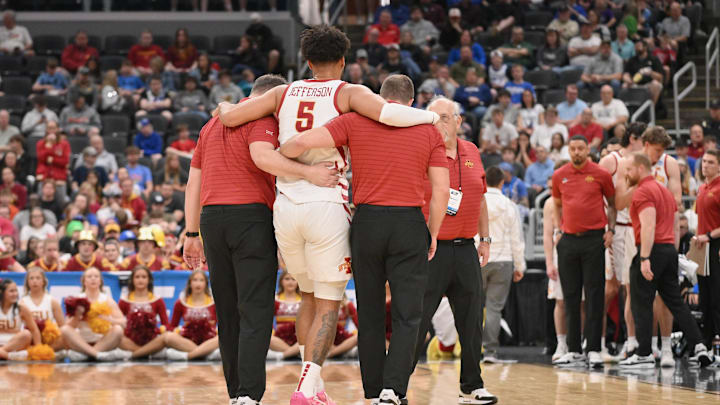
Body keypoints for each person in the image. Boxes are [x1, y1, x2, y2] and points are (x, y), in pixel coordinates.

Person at [215, 25, 439, 405]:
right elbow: (390, 114)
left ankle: (315, 389)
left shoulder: (282, 91)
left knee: (308, 294)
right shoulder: (349, 92)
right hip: (326, 203)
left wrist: (222, 106)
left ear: (306, 61)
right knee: (329, 302)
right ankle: (305, 388)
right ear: (342, 61)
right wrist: (433, 119)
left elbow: (230, 117)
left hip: (285, 207)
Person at [278, 74, 449, 405]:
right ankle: (392, 390)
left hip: (366, 222)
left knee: (369, 312)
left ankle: (372, 390)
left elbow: (298, 143)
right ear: (411, 103)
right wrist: (433, 233)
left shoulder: (354, 120)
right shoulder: (428, 130)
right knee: (407, 314)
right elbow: (441, 190)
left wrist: (287, 158)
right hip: (407, 222)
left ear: (379, 99)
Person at [619, 153, 713, 368]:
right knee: (676, 302)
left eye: (629, 170)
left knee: (641, 301)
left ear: (641, 168)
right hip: (669, 250)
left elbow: (649, 225)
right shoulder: (665, 191)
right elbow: (672, 223)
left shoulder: (643, 191)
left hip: (651, 250)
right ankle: (699, 346)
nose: (626, 174)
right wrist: (671, 250)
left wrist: (644, 258)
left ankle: (643, 354)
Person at [614, 126, 681, 366]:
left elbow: (677, 202)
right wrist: (642, 188)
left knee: (662, 295)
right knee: (634, 292)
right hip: (635, 231)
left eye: (662, 151)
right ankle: (636, 344)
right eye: (656, 150)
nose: (658, 155)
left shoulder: (669, 164)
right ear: (645, 145)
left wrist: (650, 192)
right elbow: (619, 202)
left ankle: (665, 348)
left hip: (662, 233)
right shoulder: (628, 165)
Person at [552, 135, 616, 368]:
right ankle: (574, 349)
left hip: (594, 240)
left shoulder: (601, 174)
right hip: (569, 240)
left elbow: (612, 203)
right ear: (568, 151)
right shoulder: (560, 175)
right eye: (573, 149)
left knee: (594, 295)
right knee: (570, 296)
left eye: (581, 148)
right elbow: (557, 204)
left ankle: (594, 349)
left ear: (588, 149)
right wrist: (559, 230)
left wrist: (611, 230)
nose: (577, 152)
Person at [597, 121, 645, 359]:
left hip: (638, 229)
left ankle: (633, 342)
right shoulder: (611, 161)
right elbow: (595, 194)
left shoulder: (646, 163)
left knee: (634, 288)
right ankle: (599, 342)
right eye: (644, 139)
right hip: (614, 230)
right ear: (634, 138)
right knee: (610, 289)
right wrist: (606, 228)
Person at [481, 166, 525, 363]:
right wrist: (520, 266)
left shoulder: (477, 201)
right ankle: (490, 352)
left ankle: (470, 350)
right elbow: (517, 239)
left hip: (478, 258)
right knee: (494, 309)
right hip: (504, 260)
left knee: (472, 308)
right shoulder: (509, 205)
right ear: (502, 182)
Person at [59, 267, 127, 362]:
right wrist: (77, 316)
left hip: (103, 341)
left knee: (118, 330)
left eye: (96, 276)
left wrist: (109, 319)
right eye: (89, 276)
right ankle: (97, 355)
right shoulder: (77, 300)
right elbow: (68, 326)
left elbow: (123, 322)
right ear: (84, 281)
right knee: (64, 329)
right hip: (82, 341)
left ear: (100, 281)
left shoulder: (107, 300)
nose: (93, 279)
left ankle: (88, 354)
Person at [693, 150, 720, 347]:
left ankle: (717, 338)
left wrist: (709, 236)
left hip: (715, 245)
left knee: (716, 296)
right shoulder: (702, 188)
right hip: (702, 246)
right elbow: (701, 218)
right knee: (705, 296)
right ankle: (707, 341)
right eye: (704, 162)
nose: (706, 166)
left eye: (711, 162)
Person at [165, 270, 220, 361]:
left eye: (201, 280)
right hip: (188, 341)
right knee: (169, 337)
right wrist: (177, 331)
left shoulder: (214, 303)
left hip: (209, 340)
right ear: (190, 283)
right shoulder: (181, 302)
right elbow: (172, 326)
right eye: (195, 280)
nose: (198, 283)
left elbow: (223, 325)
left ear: (206, 283)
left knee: (223, 337)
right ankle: (206, 355)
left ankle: (188, 356)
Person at [117, 266, 169, 359]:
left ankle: (135, 354)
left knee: (167, 337)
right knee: (116, 337)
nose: (140, 280)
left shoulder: (157, 300)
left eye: (144, 277)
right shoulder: (124, 300)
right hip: (130, 340)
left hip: (152, 339)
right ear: (132, 280)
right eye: (137, 277)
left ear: (149, 280)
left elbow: (166, 324)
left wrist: (160, 330)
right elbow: (118, 321)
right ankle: (147, 352)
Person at [21, 267, 66, 351]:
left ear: (43, 281)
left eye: (38, 278)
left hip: (49, 339)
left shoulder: (52, 301)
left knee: (65, 334)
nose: (35, 281)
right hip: (30, 338)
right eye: (31, 278)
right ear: (27, 282)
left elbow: (62, 326)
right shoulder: (22, 302)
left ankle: (46, 351)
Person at [0, 279, 41, 361]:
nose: (15, 294)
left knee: (26, 334)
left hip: (14, 344)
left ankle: (2, 353)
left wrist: (39, 350)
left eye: (16, 291)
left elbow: (34, 330)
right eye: (11, 291)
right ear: (2, 292)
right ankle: (8, 356)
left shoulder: (22, 308)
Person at [267, 271, 302, 360]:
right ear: (281, 281)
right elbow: (268, 320)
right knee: (268, 338)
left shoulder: (305, 301)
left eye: (293, 279)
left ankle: (283, 355)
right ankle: (296, 353)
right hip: (280, 339)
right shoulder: (275, 299)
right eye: (287, 279)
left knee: (309, 340)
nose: (290, 282)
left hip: (299, 337)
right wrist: (273, 334)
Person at [622, 40, 664, 105]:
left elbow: (660, 77)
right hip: (635, 83)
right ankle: (628, 107)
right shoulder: (632, 60)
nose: (636, 48)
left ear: (645, 47)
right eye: (635, 47)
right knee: (624, 85)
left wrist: (651, 73)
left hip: (649, 84)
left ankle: (651, 108)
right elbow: (625, 74)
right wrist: (628, 80)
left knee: (656, 84)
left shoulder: (653, 59)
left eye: (638, 46)